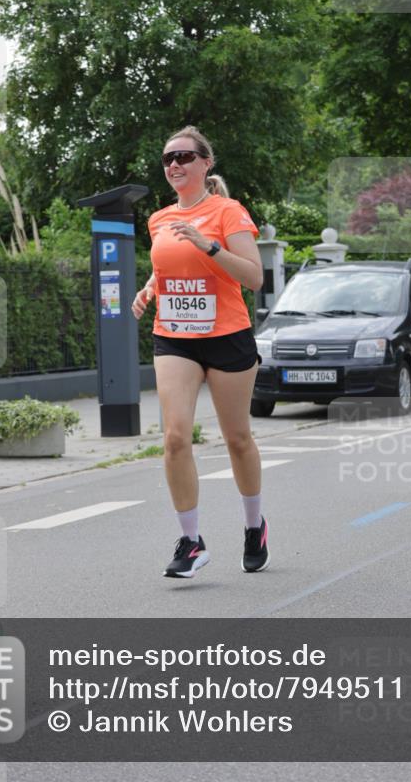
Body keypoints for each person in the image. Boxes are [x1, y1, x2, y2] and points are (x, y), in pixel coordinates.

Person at [132, 125, 269, 578]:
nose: (174, 164)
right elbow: (167, 268)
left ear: (206, 163)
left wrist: (207, 244)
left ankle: (254, 527)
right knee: (174, 437)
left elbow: (253, 277)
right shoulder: (157, 219)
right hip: (174, 336)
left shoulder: (228, 211)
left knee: (237, 438)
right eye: (168, 157)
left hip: (227, 335)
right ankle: (191, 542)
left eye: (185, 156)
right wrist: (149, 288)